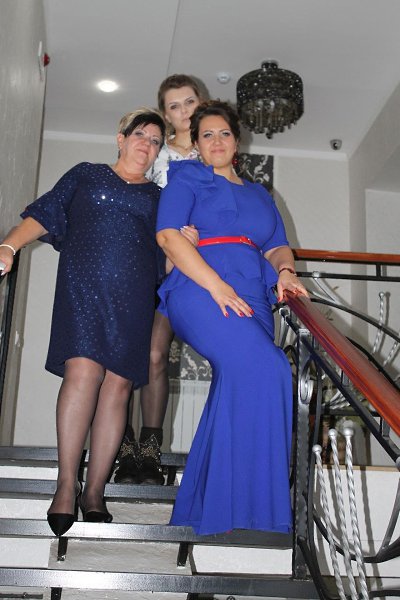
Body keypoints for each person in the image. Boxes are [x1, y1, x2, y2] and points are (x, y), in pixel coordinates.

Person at [0, 108, 168, 537]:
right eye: (140, 135)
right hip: (83, 289)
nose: (147, 145)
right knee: (82, 373)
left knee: (117, 388)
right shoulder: (86, 174)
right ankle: (65, 484)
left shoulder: (159, 197)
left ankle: (95, 490)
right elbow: (46, 213)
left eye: (155, 141)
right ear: (120, 138)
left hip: (134, 298)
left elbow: (168, 254)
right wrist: (9, 246)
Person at [156, 100, 308, 535]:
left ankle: (208, 509)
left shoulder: (260, 194)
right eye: (207, 135)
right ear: (197, 144)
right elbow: (168, 237)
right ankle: (262, 512)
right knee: (271, 366)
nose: (217, 141)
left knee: (239, 382)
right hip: (200, 288)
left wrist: (285, 271)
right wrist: (216, 285)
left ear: (236, 141)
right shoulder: (186, 178)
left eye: (224, 133)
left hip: (253, 295)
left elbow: (276, 245)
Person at [114, 74, 204, 485]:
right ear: (165, 114)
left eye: (189, 102)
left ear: (201, 102)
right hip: (141, 261)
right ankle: (124, 449)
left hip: (184, 266)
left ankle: (150, 452)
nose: (184, 111)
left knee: (154, 355)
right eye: (174, 106)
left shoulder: (212, 150)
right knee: (122, 357)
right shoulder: (154, 151)